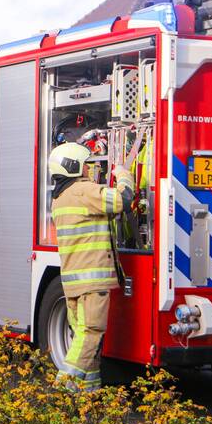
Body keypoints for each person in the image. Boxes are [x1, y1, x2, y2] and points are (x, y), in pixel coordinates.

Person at [48, 142, 134, 391]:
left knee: (87, 339)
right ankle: (65, 387)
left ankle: (90, 393)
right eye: (86, 164)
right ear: (73, 166)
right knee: (91, 333)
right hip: (92, 282)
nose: (89, 169)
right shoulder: (83, 191)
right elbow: (121, 200)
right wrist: (124, 176)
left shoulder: (60, 199)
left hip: (73, 282)